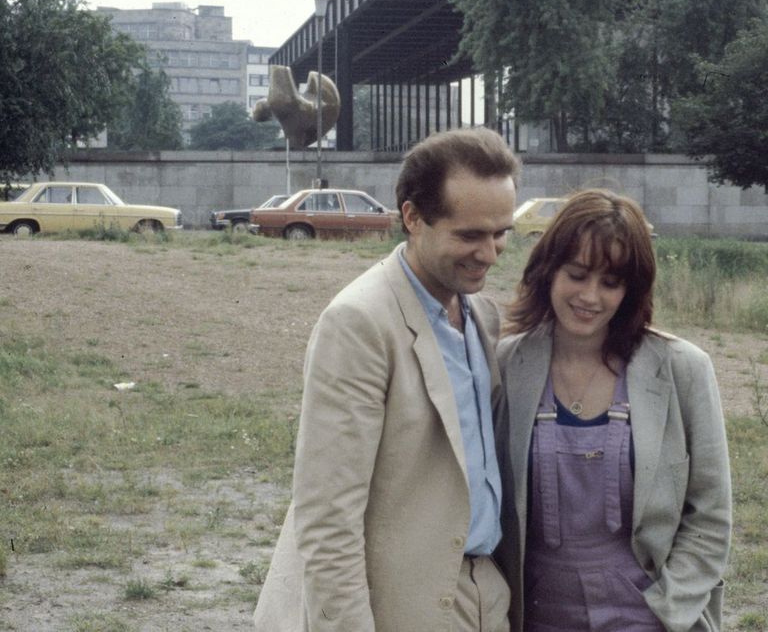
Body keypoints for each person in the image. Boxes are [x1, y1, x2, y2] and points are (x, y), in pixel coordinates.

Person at [255, 127, 520, 632]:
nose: (489, 253)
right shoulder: (359, 323)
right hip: (396, 608)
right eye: (469, 235)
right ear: (412, 218)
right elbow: (327, 519)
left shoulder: (482, 316)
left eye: (500, 232)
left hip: (485, 598)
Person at [495, 190, 732, 631]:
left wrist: (666, 610)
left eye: (610, 282)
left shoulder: (683, 370)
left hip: (649, 618)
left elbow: (711, 516)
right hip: (537, 616)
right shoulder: (507, 366)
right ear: (548, 270)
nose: (590, 296)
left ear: (632, 289)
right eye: (578, 274)